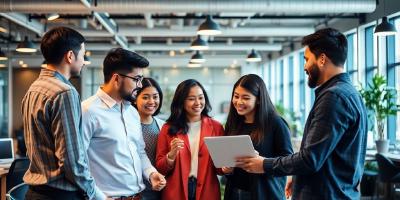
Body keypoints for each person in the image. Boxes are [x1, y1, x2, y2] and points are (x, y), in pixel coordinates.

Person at [261, 28, 368, 199]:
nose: (305, 66)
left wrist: (263, 164)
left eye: (306, 59)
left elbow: (310, 159)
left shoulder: (334, 97)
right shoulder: (349, 93)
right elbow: (325, 156)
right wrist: (299, 178)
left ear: (322, 59)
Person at [21, 26, 106, 200]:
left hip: (34, 192)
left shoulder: (33, 88)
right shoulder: (64, 92)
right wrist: (94, 193)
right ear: (70, 56)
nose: (83, 61)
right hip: (60, 194)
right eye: (82, 55)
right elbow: (71, 160)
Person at [82, 48, 166, 199]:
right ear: (117, 79)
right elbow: (77, 164)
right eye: (136, 79)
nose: (140, 85)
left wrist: (151, 173)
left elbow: (139, 152)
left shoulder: (132, 112)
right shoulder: (88, 111)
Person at [222, 74, 293, 200]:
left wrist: (263, 162)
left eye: (246, 98)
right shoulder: (234, 123)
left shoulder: (276, 123)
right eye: (236, 96)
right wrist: (227, 168)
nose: (239, 102)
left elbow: (288, 163)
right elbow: (228, 162)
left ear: (259, 99)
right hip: (234, 192)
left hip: (264, 194)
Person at [156, 79, 224, 200]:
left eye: (201, 97)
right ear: (181, 101)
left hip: (207, 191)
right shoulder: (168, 128)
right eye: (191, 99)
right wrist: (171, 156)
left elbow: (220, 168)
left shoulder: (216, 127)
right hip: (176, 192)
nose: (197, 103)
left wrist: (226, 167)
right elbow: (160, 168)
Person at [132, 77, 165, 200]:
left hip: (160, 188)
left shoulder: (163, 126)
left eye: (155, 97)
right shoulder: (128, 125)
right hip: (136, 191)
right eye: (145, 97)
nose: (152, 101)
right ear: (135, 99)